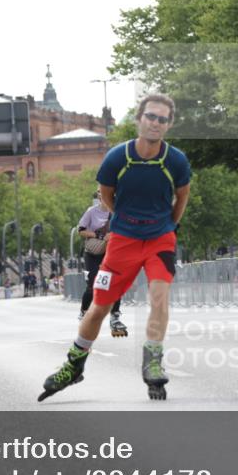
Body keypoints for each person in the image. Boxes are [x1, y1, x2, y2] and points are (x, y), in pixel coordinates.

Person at [39, 93, 191, 402]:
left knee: (160, 297)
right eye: (151, 116)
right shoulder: (116, 158)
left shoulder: (175, 160)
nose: (155, 123)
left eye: (162, 119)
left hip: (160, 238)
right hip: (123, 240)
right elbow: (107, 197)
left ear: (168, 125)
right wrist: (125, 219)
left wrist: (167, 226)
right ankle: (74, 365)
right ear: (139, 119)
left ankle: (152, 361)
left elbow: (182, 198)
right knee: (99, 306)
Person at [76, 191, 125, 334]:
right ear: (100, 197)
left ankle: (115, 317)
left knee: (115, 283)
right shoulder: (92, 212)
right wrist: (99, 235)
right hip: (93, 252)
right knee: (93, 284)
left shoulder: (117, 212)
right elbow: (81, 230)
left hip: (110, 252)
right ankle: (84, 313)